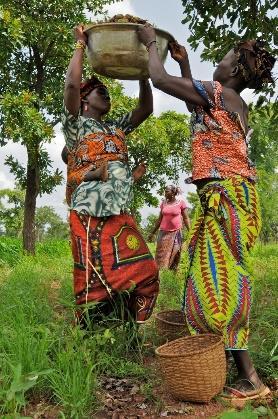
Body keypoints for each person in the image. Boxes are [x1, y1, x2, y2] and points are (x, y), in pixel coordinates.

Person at [137, 26, 275, 400]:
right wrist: (185, 65)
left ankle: (251, 378)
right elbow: (194, 108)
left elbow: (157, 77)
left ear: (233, 71)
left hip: (225, 198)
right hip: (237, 198)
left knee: (217, 283)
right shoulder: (232, 102)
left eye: (224, 58)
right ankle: (236, 364)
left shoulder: (217, 92)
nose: (219, 62)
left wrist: (151, 44)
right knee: (219, 276)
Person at [62, 24, 159, 327]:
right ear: (85, 99)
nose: (106, 95)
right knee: (95, 277)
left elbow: (145, 108)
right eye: (99, 91)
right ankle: (99, 337)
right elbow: (70, 87)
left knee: (145, 270)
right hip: (89, 213)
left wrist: (143, 71)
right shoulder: (76, 125)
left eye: (107, 91)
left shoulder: (116, 128)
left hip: (118, 211)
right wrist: (80, 45)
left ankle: (125, 324)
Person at [149, 185, 190, 270]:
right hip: (163, 233)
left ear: (173, 193)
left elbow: (186, 218)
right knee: (161, 255)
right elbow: (159, 219)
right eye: (165, 191)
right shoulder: (164, 203)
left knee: (175, 253)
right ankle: (161, 273)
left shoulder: (181, 203)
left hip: (176, 233)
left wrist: (191, 231)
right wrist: (152, 232)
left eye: (167, 191)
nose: (165, 193)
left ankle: (172, 274)